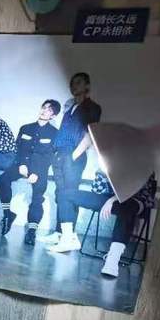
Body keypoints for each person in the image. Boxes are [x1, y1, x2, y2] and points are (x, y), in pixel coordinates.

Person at [48, 171, 156, 277]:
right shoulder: (112, 161)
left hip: (135, 201)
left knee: (127, 209)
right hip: (108, 198)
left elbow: (135, 190)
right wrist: (103, 172)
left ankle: (113, 259)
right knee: (65, 195)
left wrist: (112, 200)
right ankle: (68, 238)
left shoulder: (143, 163)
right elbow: (97, 190)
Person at [42, 72, 103, 246]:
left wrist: (74, 156)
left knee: (69, 194)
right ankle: (60, 233)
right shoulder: (70, 109)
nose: (73, 86)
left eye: (78, 82)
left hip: (73, 155)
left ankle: (68, 237)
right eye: (72, 83)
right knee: (60, 194)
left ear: (87, 86)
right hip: (59, 154)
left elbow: (90, 134)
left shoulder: (93, 107)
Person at [0, 99, 61, 245]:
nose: (44, 111)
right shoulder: (26, 128)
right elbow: (17, 149)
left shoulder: (54, 133)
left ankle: (32, 231)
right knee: (3, 179)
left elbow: (49, 157)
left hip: (39, 170)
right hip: (21, 166)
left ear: (53, 115)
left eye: (49, 110)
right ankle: (8, 214)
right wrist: (22, 165)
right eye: (44, 107)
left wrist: (36, 173)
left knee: (38, 196)